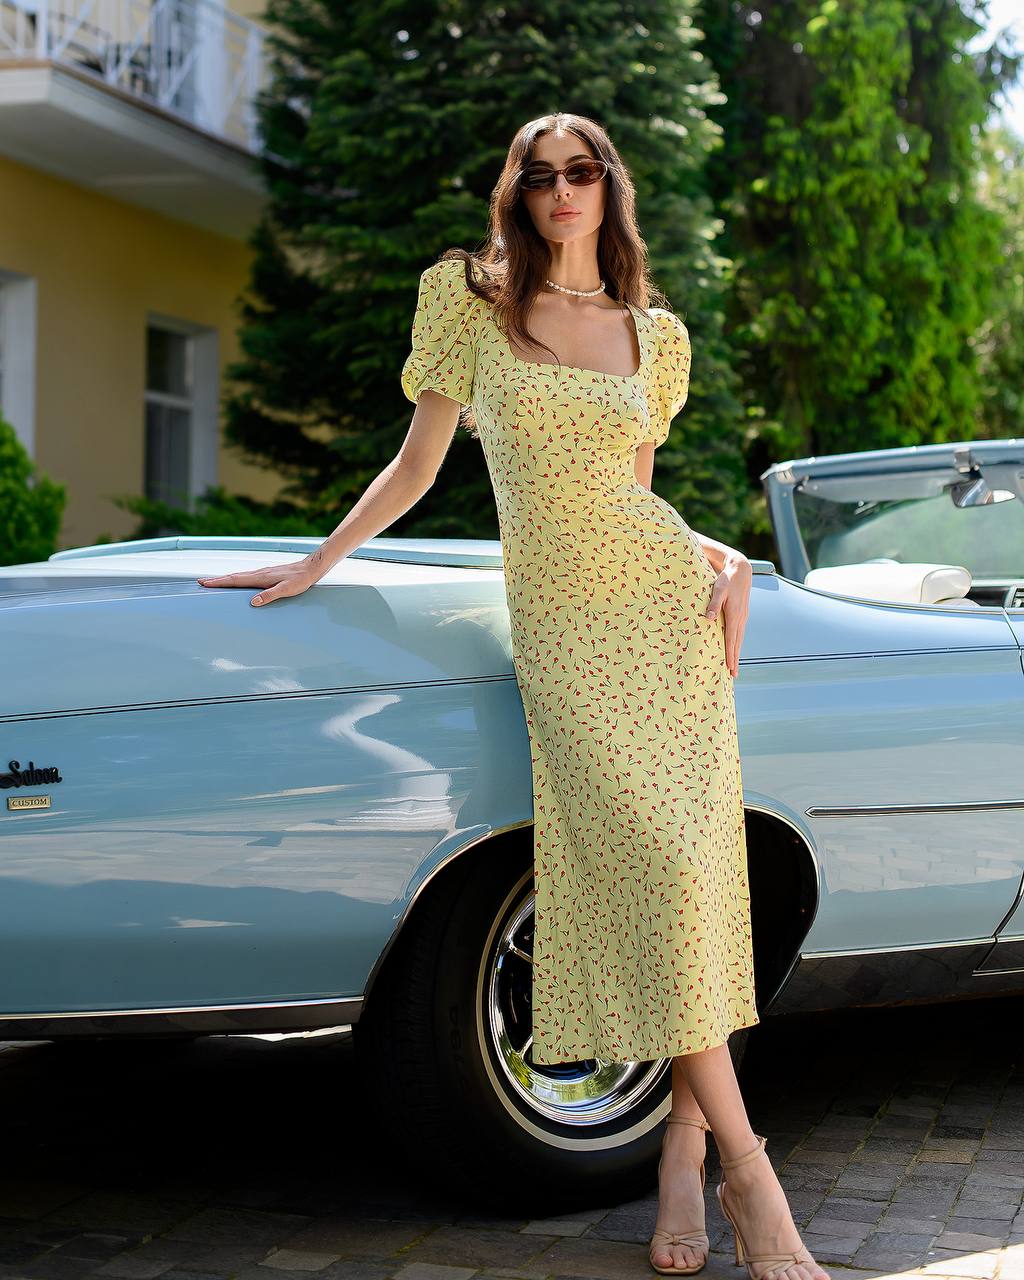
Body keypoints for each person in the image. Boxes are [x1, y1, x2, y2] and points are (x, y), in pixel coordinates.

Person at [198, 111, 829, 1280]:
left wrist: (720, 553)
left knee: (692, 880)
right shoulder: (471, 304)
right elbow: (418, 465)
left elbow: (630, 493)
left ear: (609, 187)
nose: (560, 191)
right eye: (539, 176)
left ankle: (683, 1158)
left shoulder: (655, 334)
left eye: (580, 171)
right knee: (647, 858)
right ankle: (750, 1165)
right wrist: (316, 560)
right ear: (519, 193)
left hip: (668, 626)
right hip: (567, 634)